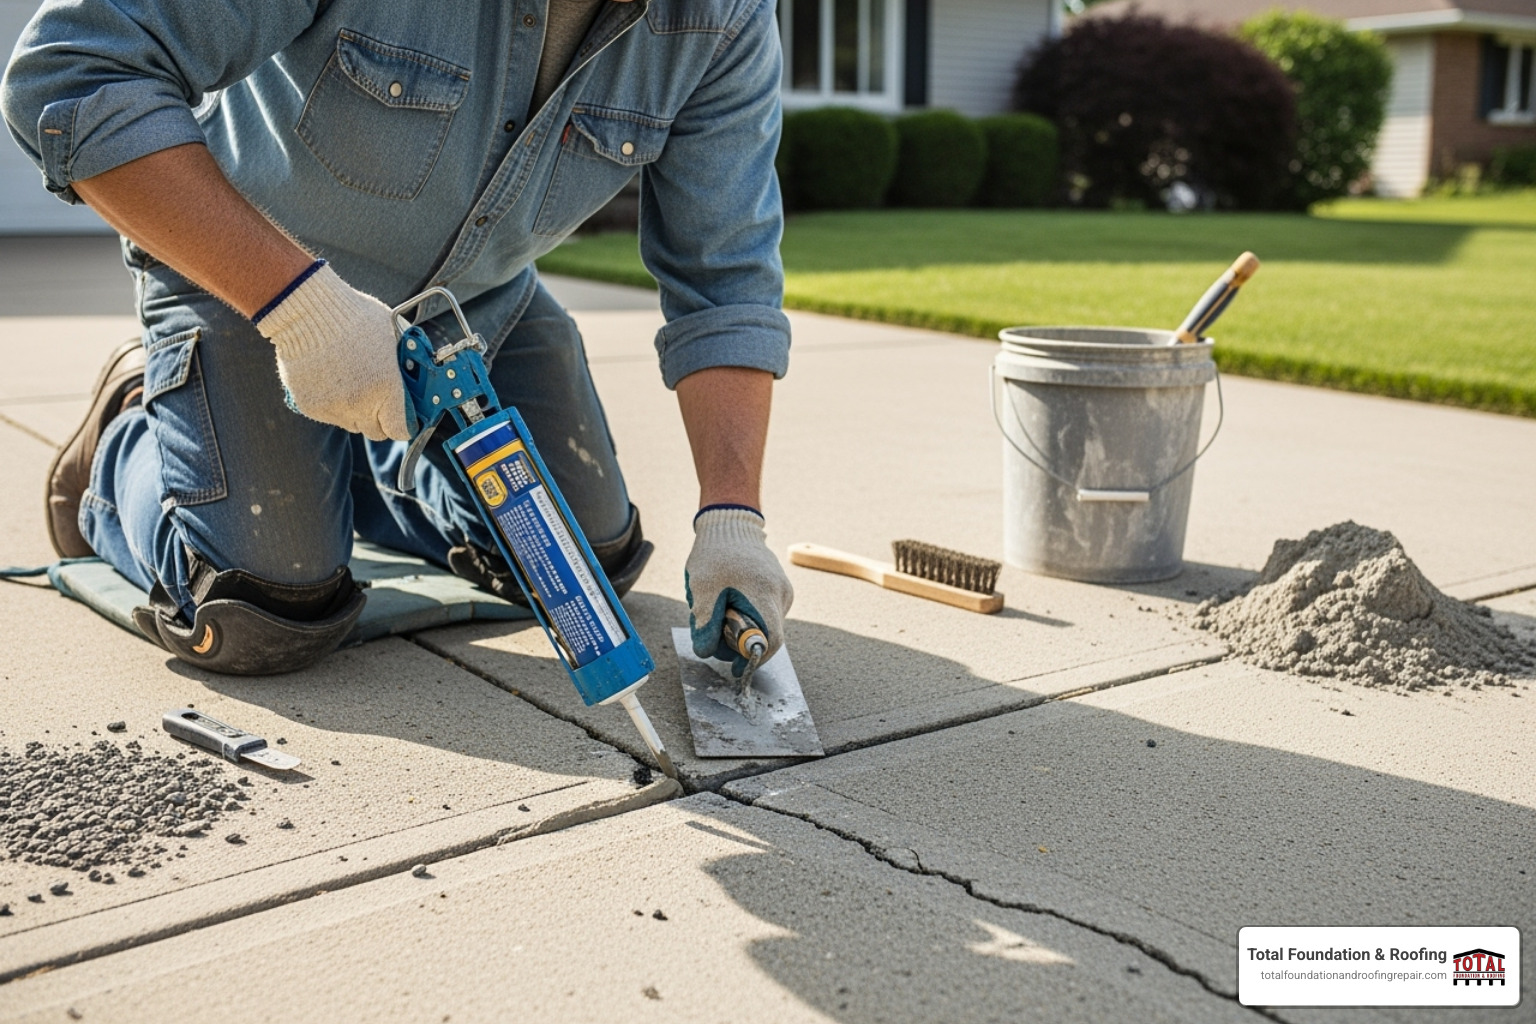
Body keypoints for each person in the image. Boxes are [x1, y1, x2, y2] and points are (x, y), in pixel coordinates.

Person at [2, 0, 794, 674]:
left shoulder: (723, 23)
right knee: (266, 607)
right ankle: (124, 438)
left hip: (469, 307)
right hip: (246, 278)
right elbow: (73, 73)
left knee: (583, 569)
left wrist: (733, 518)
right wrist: (301, 309)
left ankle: (344, 450)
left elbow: (722, 278)